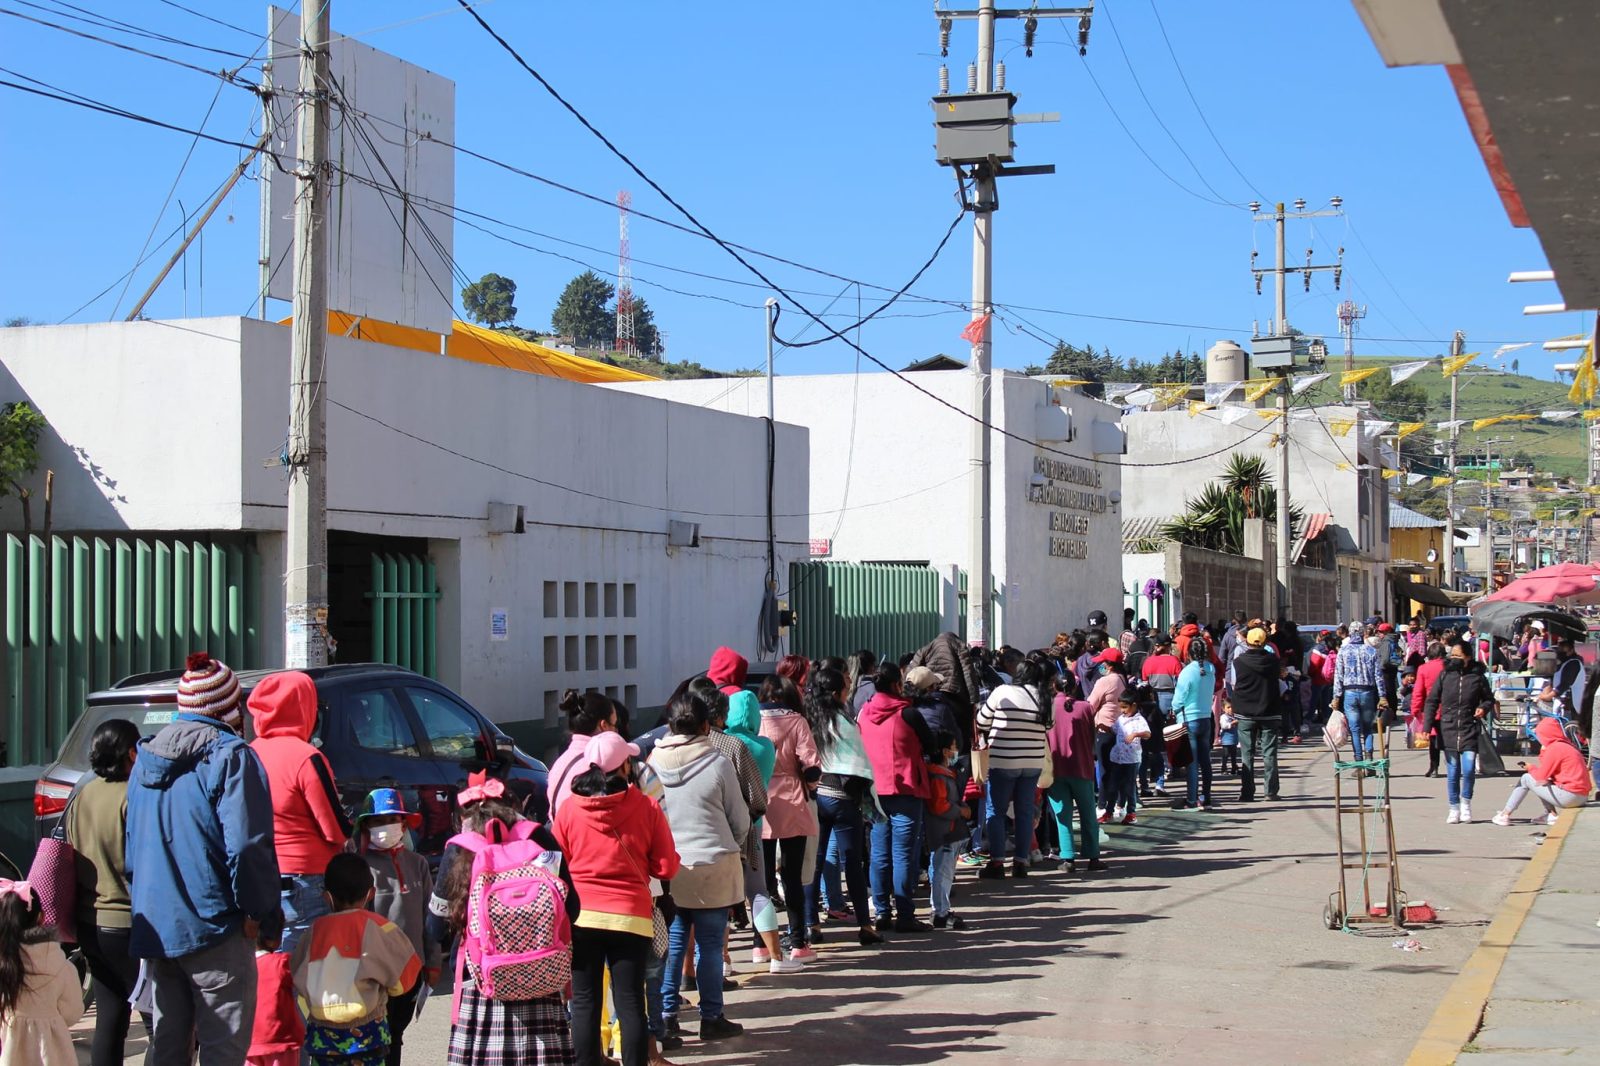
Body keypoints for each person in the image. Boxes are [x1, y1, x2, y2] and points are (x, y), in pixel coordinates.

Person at [126, 652, 279, 1064]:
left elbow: (134, 850)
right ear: (231, 710)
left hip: (158, 927)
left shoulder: (143, 761)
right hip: (215, 927)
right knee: (222, 1049)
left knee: (168, 1045)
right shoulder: (231, 756)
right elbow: (248, 846)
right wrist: (261, 912)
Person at [426, 779, 578, 1066]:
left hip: (482, 982)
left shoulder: (460, 849)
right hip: (541, 977)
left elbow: (435, 928)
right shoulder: (538, 839)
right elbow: (573, 907)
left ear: (463, 818)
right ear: (513, 807)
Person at [553, 732, 681, 1066]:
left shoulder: (568, 809)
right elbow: (666, 866)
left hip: (582, 918)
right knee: (629, 1002)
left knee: (584, 1002)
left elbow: (556, 863)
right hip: (631, 918)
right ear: (625, 764)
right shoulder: (646, 806)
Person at [649, 691, 750, 1041]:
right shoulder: (717, 762)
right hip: (714, 864)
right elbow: (740, 820)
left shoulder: (652, 763)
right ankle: (711, 1017)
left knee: (674, 942)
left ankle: (666, 1015)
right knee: (709, 944)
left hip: (668, 867)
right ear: (706, 725)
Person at [249, 670, 354, 956]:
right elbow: (334, 828)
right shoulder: (307, 757)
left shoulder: (247, 753)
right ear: (303, 708)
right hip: (304, 879)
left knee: (268, 972)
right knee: (302, 976)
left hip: (258, 877)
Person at [65, 717, 150, 1066]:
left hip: (89, 921)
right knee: (160, 1021)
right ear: (131, 752)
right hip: (129, 922)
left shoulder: (84, 794)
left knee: (110, 1018)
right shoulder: (135, 796)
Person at [291, 853, 421, 1066]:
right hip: (369, 1036)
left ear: (327, 896)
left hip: (322, 1039)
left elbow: (297, 975)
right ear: (371, 893)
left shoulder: (313, 932)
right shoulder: (381, 928)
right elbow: (405, 978)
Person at [351, 788, 441, 1065]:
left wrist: (433, 962)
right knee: (372, 1037)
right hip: (372, 971)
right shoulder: (359, 866)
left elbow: (431, 917)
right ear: (366, 825)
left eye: (393, 820)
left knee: (395, 1034)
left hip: (411, 969)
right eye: (378, 821)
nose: (386, 827)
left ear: (404, 824)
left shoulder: (418, 864)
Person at [802, 667, 882, 947]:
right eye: (846, 690)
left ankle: (811, 925)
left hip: (816, 797)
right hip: (844, 799)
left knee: (814, 861)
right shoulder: (845, 723)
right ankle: (865, 926)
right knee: (853, 863)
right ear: (837, 694)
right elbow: (859, 762)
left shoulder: (809, 721)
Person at [719, 689, 793, 973]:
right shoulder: (765, 746)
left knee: (723, 897)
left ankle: (723, 959)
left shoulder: (721, 743)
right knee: (758, 892)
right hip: (754, 827)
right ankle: (775, 956)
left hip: (724, 829)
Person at [858, 663, 936, 927]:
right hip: (905, 788)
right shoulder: (908, 714)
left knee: (879, 853)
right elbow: (932, 746)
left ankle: (881, 911)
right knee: (902, 853)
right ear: (896, 685)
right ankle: (904, 914)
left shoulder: (864, 713)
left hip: (874, 790)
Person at [756, 675, 821, 960]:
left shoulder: (753, 720)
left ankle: (760, 944)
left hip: (759, 801)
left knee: (761, 879)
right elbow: (812, 766)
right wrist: (809, 787)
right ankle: (797, 943)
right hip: (792, 799)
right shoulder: (797, 721)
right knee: (792, 877)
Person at [974, 656, 1052, 878]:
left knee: (996, 812)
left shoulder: (1002, 692)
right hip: (1033, 762)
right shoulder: (1044, 697)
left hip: (1003, 761)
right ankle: (1021, 861)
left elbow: (981, 721)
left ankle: (997, 863)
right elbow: (1049, 726)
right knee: (1025, 812)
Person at [0, 879, 82, 1066]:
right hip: (53, 1052)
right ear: (41, 917)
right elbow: (73, 1012)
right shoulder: (61, 966)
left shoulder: (4, 963)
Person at [1426, 637, 1495, 824]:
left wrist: (1484, 707)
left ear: (1467, 657)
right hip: (1447, 727)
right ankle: (1453, 807)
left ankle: (1466, 804)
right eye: (1452, 654)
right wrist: (1427, 726)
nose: (1454, 658)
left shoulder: (1477, 677)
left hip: (1468, 727)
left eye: (1458, 655)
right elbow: (1432, 701)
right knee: (1453, 770)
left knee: (1469, 768)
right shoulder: (1445, 675)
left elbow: (1489, 699)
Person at [1044, 673, 1107, 872]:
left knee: (1063, 815)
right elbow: (1091, 737)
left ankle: (1068, 857)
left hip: (1056, 768)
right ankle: (1093, 856)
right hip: (1082, 767)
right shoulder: (1086, 708)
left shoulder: (1048, 708)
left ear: (1054, 686)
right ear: (1074, 687)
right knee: (1088, 813)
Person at [1492, 717, 1593, 825]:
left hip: (1570, 797)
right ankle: (1551, 815)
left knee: (1526, 778)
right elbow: (1548, 775)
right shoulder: (1566, 745)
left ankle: (1505, 814)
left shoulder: (1555, 748)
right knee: (1543, 782)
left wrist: (1531, 768)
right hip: (1582, 796)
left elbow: (1541, 776)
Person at [1231, 627, 1285, 802]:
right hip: (1269, 711)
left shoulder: (1239, 662)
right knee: (1269, 753)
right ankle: (1270, 791)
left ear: (1247, 641)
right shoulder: (1273, 662)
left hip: (1245, 712)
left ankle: (1247, 792)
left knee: (1247, 754)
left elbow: (1233, 683)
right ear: (1264, 642)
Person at [547, 691, 619, 817]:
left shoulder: (560, 763)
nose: (617, 732)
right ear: (604, 725)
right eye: (615, 725)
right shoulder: (599, 764)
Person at [923, 732, 968, 930]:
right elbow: (939, 806)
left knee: (944, 871)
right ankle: (940, 912)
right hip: (946, 832)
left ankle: (941, 909)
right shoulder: (939, 776)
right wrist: (961, 811)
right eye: (953, 747)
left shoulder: (944, 774)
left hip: (948, 832)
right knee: (943, 872)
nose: (955, 751)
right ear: (944, 751)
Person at [246, 910, 300, 1066]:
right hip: (281, 1041)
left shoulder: (239, 966)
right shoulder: (282, 962)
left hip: (249, 1043)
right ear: (276, 941)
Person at [1171, 637, 1218, 810]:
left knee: (1191, 762)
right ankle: (1206, 797)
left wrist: (1174, 709)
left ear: (1189, 652)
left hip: (1188, 719)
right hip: (1206, 717)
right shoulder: (1210, 668)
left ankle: (1192, 799)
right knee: (1205, 761)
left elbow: (1178, 699)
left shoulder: (1187, 672)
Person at [1333, 624, 1383, 764]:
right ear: (1363, 634)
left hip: (1350, 693)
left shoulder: (1343, 651)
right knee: (1367, 727)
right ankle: (1369, 758)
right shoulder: (1371, 651)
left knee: (1354, 729)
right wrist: (1382, 695)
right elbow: (1378, 675)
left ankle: (1359, 761)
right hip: (1367, 692)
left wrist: (1336, 697)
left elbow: (1338, 676)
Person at [1101, 692, 1149, 824]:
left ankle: (1131, 813)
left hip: (1132, 759)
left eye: (1125, 707)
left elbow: (1147, 734)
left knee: (1129, 787)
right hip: (1118, 758)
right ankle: (1109, 811)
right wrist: (1103, 727)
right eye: (1121, 707)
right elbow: (1114, 730)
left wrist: (1135, 734)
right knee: (1113, 786)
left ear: (1133, 706)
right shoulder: (1121, 719)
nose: (1122, 710)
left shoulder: (1139, 720)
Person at [1411, 644, 1448, 778]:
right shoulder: (1450, 666)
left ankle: (1434, 767)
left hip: (1431, 709)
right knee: (1449, 738)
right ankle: (1452, 764)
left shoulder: (1423, 669)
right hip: (1450, 707)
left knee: (1433, 739)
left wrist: (1415, 709)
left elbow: (1418, 691)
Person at [1218, 705, 1240, 776]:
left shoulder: (1234, 717)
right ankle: (1224, 768)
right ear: (1223, 709)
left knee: (1234, 755)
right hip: (1226, 740)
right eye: (1228, 707)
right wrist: (1232, 723)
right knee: (1226, 755)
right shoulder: (1223, 717)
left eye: (1232, 707)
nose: (1230, 709)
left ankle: (1234, 768)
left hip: (1234, 739)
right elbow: (1223, 726)